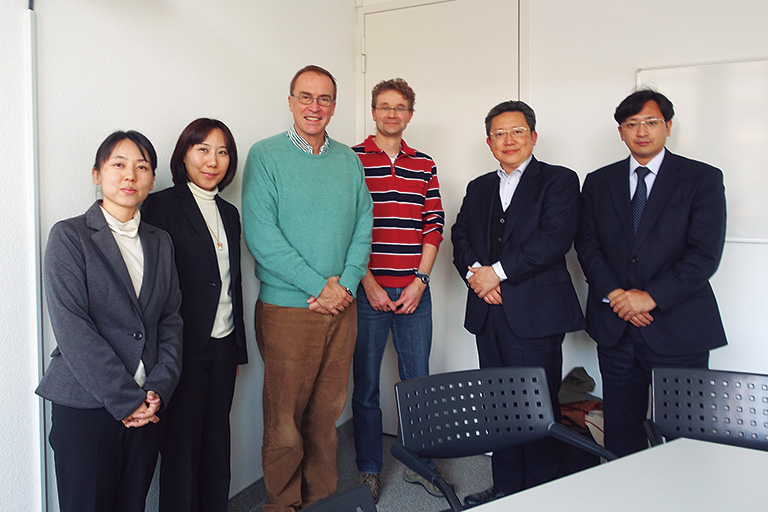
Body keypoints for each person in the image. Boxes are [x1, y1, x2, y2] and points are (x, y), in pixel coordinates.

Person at [242, 65, 373, 512]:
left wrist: (347, 285)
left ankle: (322, 501)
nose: (314, 107)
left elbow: (363, 226)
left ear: (334, 105)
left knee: (326, 417)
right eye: (305, 97)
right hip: (289, 309)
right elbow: (262, 235)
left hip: (343, 307)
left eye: (324, 99)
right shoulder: (266, 155)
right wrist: (321, 286)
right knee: (284, 420)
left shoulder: (348, 159)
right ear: (291, 101)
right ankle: (282, 504)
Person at [35, 131, 183, 512]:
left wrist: (158, 389)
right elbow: (72, 327)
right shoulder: (70, 236)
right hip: (87, 405)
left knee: (132, 504)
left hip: (147, 404)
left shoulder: (160, 241)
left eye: (142, 166)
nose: (129, 175)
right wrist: (125, 399)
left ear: (152, 180)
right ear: (97, 174)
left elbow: (170, 320)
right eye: (118, 164)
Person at [575, 89, 727, 458]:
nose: (642, 131)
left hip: (679, 327)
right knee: (621, 432)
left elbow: (704, 255)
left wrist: (650, 297)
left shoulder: (701, 179)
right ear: (621, 132)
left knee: (683, 433)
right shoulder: (599, 181)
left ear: (668, 126)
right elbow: (588, 246)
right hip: (616, 328)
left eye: (651, 122)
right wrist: (617, 296)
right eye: (632, 124)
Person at [451, 100, 584, 506]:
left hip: (537, 315)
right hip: (487, 311)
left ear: (533, 136)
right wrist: (478, 275)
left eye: (517, 131)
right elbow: (461, 236)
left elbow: (554, 237)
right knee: (497, 405)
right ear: (488, 141)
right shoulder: (478, 187)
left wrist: (499, 272)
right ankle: (506, 488)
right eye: (499, 133)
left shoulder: (559, 180)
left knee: (537, 403)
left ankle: (542, 493)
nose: (508, 140)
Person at [142, 118, 248, 512]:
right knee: (182, 449)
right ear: (183, 154)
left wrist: (237, 349)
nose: (212, 160)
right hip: (180, 350)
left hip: (222, 348)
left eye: (222, 152)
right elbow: (150, 284)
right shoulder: (160, 206)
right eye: (202, 149)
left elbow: (232, 284)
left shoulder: (230, 212)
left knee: (217, 443)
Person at [350, 78, 446, 502]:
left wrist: (419, 282)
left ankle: (420, 463)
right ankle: (369, 468)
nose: (392, 113)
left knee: (417, 382)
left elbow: (434, 225)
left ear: (409, 114)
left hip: (413, 292)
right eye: (384, 106)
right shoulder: (350, 160)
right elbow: (346, 227)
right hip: (366, 292)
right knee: (366, 386)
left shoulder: (424, 164)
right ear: (373, 112)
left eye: (400, 107)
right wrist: (366, 283)